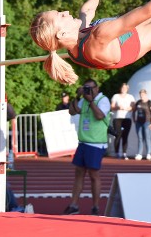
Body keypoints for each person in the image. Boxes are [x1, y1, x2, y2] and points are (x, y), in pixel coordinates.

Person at [63, 78, 110, 215]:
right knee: (79, 173)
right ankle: (74, 205)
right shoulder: (83, 99)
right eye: (86, 88)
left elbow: (100, 115)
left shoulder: (103, 100)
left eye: (90, 88)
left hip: (95, 143)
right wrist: (77, 97)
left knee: (93, 174)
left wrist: (90, 101)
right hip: (83, 142)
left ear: (97, 88)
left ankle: (95, 206)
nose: (88, 90)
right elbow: (72, 111)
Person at [110, 83, 135, 159]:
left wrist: (128, 108)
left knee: (125, 136)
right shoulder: (116, 96)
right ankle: (117, 152)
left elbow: (133, 107)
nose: (124, 89)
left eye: (125, 87)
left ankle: (124, 153)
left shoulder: (130, 97)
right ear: (120, 88)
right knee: (117, 135)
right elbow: (112, 107)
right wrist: (118, 107)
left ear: (127, 89)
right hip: (117, 118)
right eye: (122, 87)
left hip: (127, 118)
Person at [132, 89, 151, 161]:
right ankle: (139, 154)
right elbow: (134, 110)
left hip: (147, 122)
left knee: (147, 138)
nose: (141, 96)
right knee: (140, 138)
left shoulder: (149, 102)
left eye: (143, 94)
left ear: (145, 94)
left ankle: (148, 153)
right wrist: (134, 119)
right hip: (139, 122)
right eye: (140, 94)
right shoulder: (138, 102)